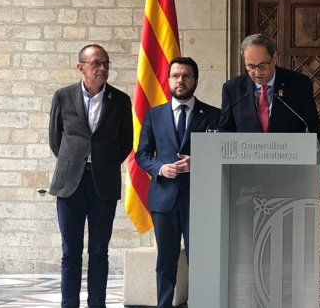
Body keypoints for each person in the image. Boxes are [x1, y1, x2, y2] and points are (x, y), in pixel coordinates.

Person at [48, 44, 133, 308]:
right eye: (96, 63)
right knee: (70, 253)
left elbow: (125, 143)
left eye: (106, 63)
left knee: (99, 252)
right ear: (81, 67)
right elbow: (56, 140)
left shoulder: (120, 100)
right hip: (70, 184)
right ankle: (69, 304)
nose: (102, 68)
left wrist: (103, 164)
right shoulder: (63, 96)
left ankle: (98, 304)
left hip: (102, 185)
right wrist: (74, 162)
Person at [135, 56, 220, 308]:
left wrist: (200, 161)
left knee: (200, 260)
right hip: (164, 199)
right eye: (175, 76)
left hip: (200, 199)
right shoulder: (154, 115)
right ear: (168, 79)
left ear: (195, 80)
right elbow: (141, 155)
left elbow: (223, 152)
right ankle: (164, 304)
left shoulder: (214, 115)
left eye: (186, 76)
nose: (180, 80)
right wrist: (160, 168)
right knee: (166, 261)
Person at [218, 33, 320, 134]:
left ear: (274, 59)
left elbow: (313, 127)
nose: (257, 73)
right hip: (247, 150)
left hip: (288, 150)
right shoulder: (232, 89)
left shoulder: (299, 84)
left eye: (262, 65)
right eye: (251, 67)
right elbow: (225, 130)